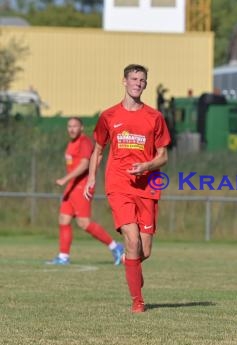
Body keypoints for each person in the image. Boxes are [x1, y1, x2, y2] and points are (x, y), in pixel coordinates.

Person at [84, 64, 171, 313]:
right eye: (133, 78)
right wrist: (91, 178)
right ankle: (138, 302)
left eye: (142, 80)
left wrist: (148, 164)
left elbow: (163, 156)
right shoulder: (109, 116)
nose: (138, 83)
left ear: (145, 84)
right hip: (119, 186)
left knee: (144, 250)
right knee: (131, 241)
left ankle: (129, 263)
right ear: (124, 81)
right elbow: (98, 149)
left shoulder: (154, 117)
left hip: (148, 187)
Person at [46, 117, 124, 266]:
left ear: (81, 128)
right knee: (64, 219)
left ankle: (116, 247)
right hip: (72, 187)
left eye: (75, 126)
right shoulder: (71, 143)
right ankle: (63, 257)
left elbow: (84, 164)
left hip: (82, 187)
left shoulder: (84, 142)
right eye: (69, 126)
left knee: (83, 223)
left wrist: (64, 179)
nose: (72, 129)